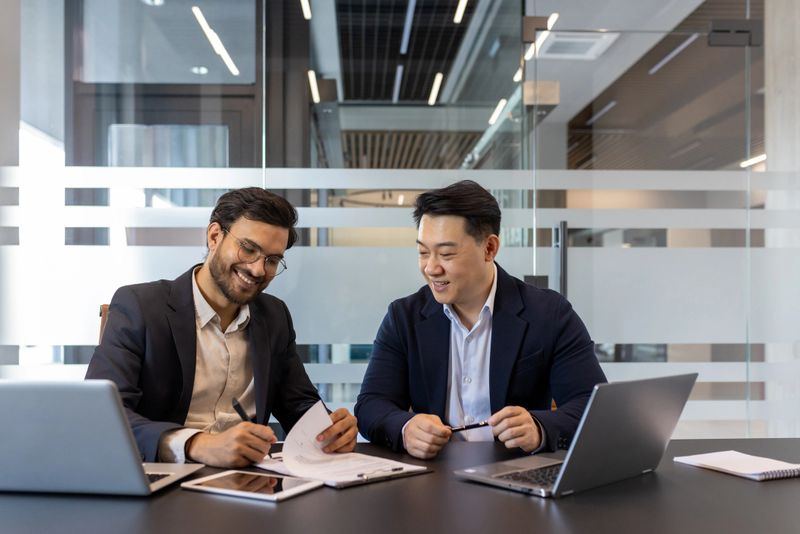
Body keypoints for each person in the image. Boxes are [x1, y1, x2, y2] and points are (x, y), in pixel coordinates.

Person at [86, 188, 357, 467]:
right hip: (163, 480)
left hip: (249, 482)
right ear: (215, 236)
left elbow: (298, 404)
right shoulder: (140, 307)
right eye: (249, 249)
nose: (258, 270)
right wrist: (196, 443)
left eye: (272, 260)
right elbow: (101, 415)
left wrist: (330, 430)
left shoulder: (273, 316)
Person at [355, 180, 607, 460]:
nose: (431, 268)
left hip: (516, 476)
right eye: (423, 252)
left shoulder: (548, 313)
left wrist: (539, 426)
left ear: (489, 248)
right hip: (432, 480)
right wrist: (405, 427)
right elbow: (371, 404)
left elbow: (593, 406)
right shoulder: (404, 317)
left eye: (447, 254)